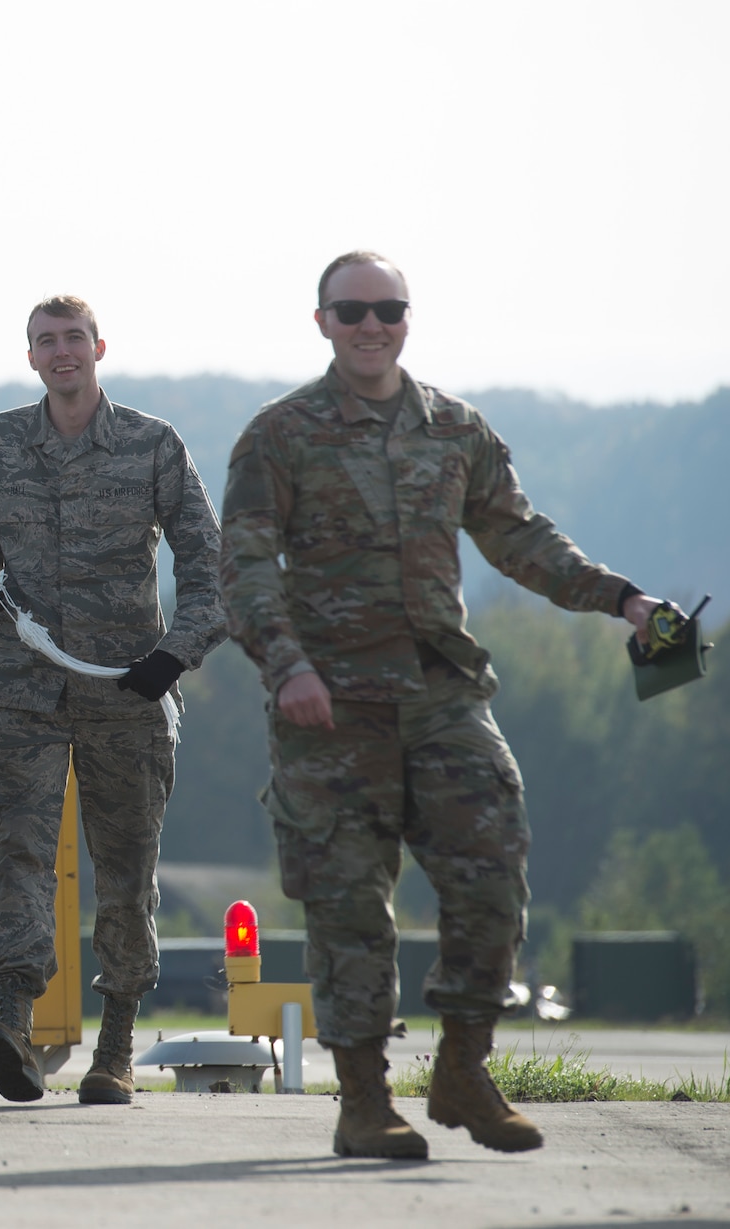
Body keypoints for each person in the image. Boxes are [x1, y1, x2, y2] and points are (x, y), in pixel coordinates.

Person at [219, 251, 672, 1159]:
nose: (371, 325)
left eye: (388, 308)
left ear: (409, 319)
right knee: (350, 904)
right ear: (322, 323)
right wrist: (288, 666)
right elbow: (245, 565)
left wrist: (624, 599)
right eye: (352, 311)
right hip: (331, 706)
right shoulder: (281, 435)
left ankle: (463, 1067)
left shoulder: (454, 429)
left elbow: (520, 537)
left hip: (441, 694)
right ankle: (363, 1100)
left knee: (492, 866)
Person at [0, 295, 226, 1105]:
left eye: (73, 339)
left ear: (99, 347)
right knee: (21, 856)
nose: (61, 352)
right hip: (22, 688)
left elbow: (211, 566)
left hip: (127, 692)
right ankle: (15, 1022)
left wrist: (175, 654)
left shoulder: (153, 445)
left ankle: (115, 1045)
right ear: (30, 357)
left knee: (126, 867)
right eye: (45, 342)